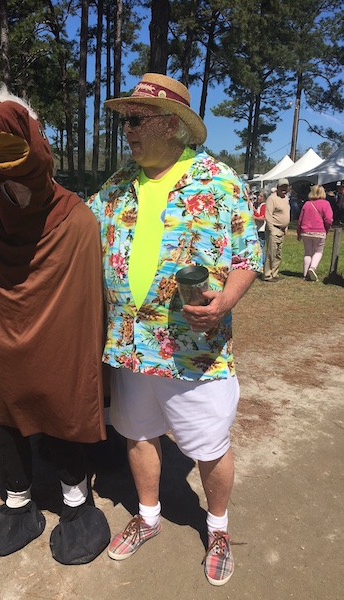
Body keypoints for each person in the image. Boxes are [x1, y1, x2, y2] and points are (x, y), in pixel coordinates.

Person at [88, 73, 262, 586]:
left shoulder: (220, 182)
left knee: (208, 446)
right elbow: (73, 235)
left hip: (194, 351)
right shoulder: (116, 187)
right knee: (138, 436)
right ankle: (147, 518)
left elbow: (247, 258)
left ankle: (219, 529)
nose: (127, 131)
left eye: (136, 120)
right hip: (128, 346)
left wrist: (227, 298)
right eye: (125, 121)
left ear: (172, 124)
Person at [0, 88, 110, 564]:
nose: (5, 166)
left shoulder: (77, 223)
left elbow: (87, 313)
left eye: (14, 149)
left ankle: (74, 499)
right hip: (2, 336)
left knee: (63, 392)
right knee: (3, 402)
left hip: (58, 336)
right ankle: (18, 499)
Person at [296, 184, 333, 281]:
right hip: (319, 231)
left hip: (306, 231)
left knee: (307, 253)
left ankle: (305, 274)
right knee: (318, 251)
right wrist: (327, 228)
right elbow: (329, 219)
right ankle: (312, 268)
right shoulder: (326, 204)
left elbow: (300, 219)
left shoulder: (307, 204)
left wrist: (298, 232)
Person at [263, 178, 290, 282]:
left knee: (278, 253)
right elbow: (268, 215)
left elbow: (286, 213)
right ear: (278, 187)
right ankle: (267, 275)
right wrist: (271, 229)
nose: (284, 189)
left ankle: (275, 273)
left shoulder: (286, 198)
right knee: (271, 253)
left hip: (282, 230)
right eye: (282, 186)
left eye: (286, 187)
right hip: (274, 229)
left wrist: (286, 227)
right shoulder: (272, 199)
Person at [253, 190, 267, 256]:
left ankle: (263, 262)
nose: (258, 197)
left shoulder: (264, 206)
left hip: (262, 229)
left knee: (261, 247)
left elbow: (262, 218)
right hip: (258, 228)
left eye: (261, 196)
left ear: (264, 198)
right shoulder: (259, 205)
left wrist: (254, 214)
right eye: (258, 196)